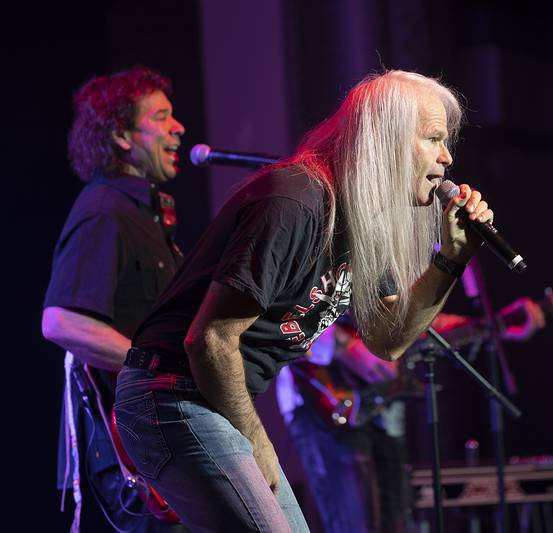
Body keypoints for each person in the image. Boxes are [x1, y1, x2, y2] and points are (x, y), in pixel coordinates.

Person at [112, 69, 497, 532]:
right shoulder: (297, 201)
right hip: (170, 395)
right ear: (387, 139)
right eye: (433, 138)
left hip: (205, 402)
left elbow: (389, 340)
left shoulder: (362, 222)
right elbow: (210, 339)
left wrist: (451, 261)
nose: (447, 157)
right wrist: (258, 441)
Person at [41, 66, 187, 532]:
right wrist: (155, 367)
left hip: (161, 442)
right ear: (123, 136)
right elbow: (61, 322)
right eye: (161, 117)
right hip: (136, 454)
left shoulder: (145, 213)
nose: (178, 128)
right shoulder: (105, 208)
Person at [276, 296, 545, 533]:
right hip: (325, 412)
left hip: (384, 417)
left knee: (397, 520)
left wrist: (498, 324)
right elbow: (305, 328)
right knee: (354, 523)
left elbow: (422, 321)